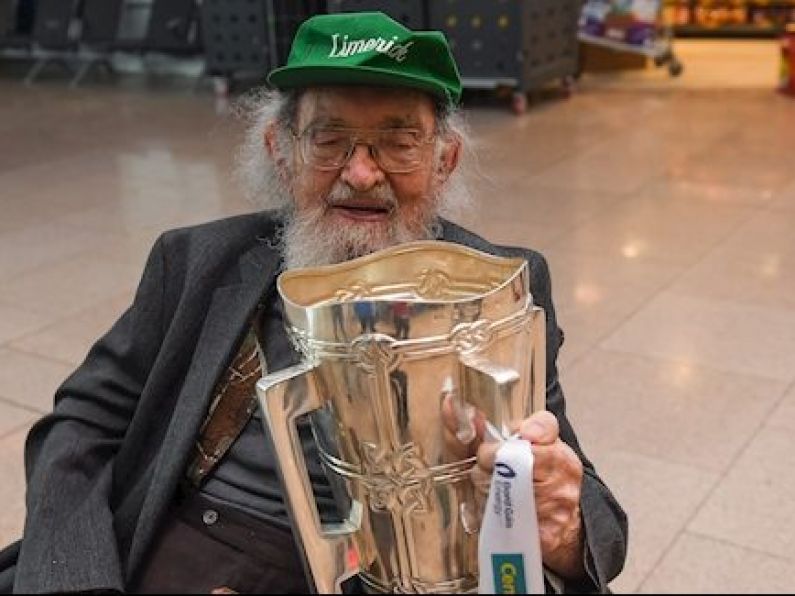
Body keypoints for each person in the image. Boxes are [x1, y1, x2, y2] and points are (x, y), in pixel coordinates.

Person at [0, 11, 627, 595]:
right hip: (180, 541)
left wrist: (562, 526)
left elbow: (587, 510)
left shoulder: (497, 287)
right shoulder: (194, 261)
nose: (360, 172)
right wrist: (76, 579)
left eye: (399, 141)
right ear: (281, 151)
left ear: (444, 161)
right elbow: (80, 424)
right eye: (328, 140)